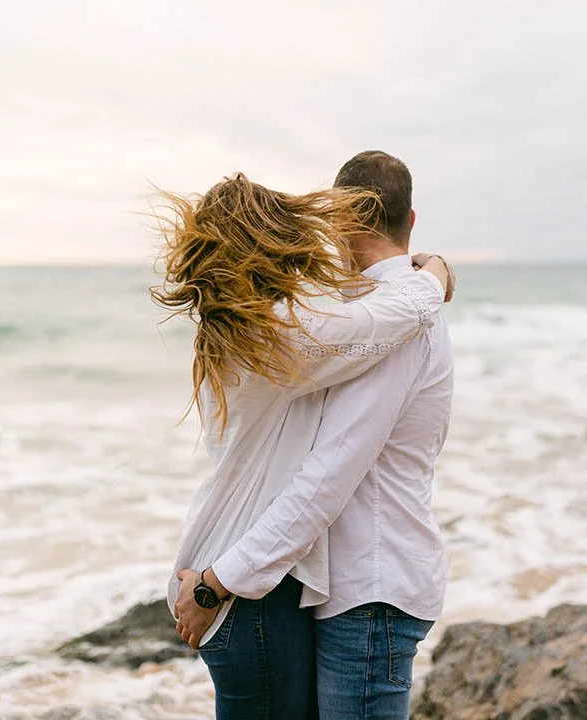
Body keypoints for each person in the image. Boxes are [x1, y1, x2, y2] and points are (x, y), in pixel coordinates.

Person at [153, 171, 453, 720]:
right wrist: (433, 274)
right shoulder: (275, 339)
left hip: (241, 578)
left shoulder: (244, 330)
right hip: (242, 591)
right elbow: (381, 320)